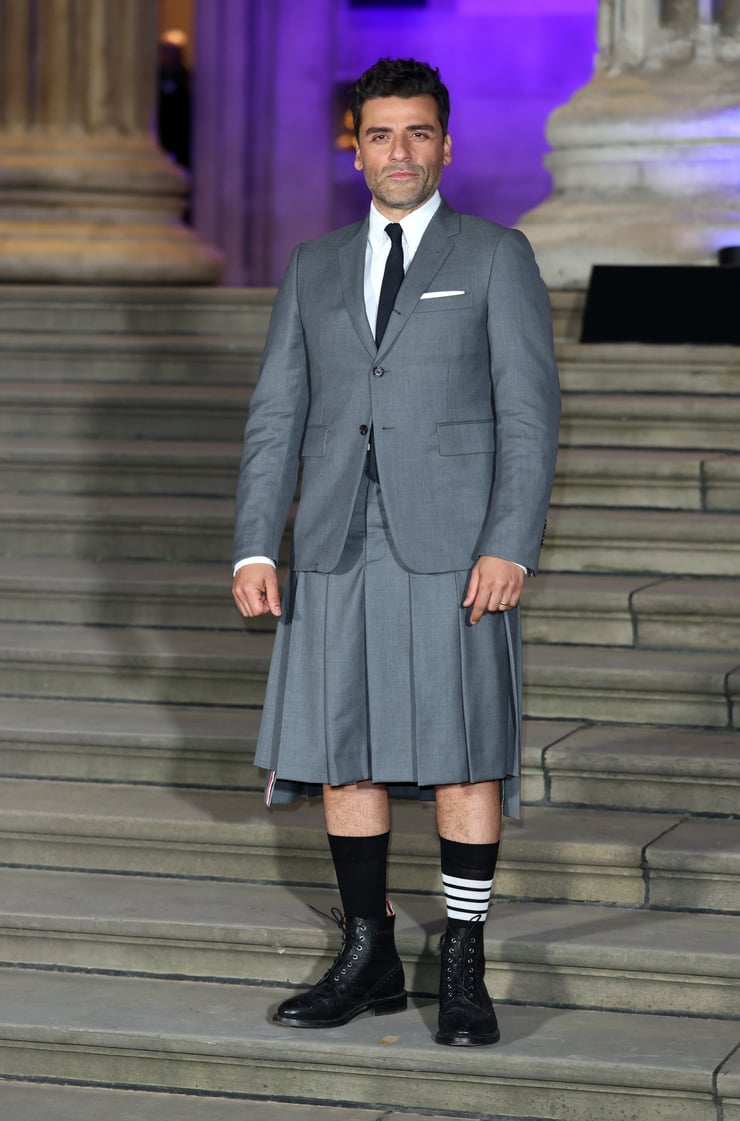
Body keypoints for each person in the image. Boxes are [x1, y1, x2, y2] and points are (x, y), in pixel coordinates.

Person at [232, 57, 560, 1047]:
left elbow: (529, 415)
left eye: (417, 133)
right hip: (332, 542)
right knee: (345, 752)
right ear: (357, 146)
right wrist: (255, 543)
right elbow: (277, 411)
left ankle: (462, 957)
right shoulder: (314, 264)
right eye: (380, 134)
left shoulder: (497, 255)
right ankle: (368, 948)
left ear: (445, 144)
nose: (399, 152)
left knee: (462, 754)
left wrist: (511, 542)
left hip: (455, 547)